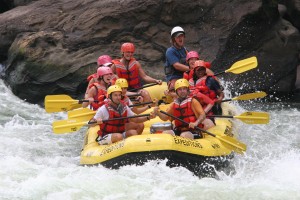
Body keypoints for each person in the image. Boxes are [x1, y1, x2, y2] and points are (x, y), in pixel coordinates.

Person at [91, 85, 156, 145]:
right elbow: (91, 123)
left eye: (119, 95)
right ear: (109, 96)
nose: (118, 97)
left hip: (120, 133)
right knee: (118, 137)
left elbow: (136, 119)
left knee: (133, 133)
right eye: (115, 95)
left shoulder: (124, 106)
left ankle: (131, 148)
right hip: (106, 136)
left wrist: (148, 117)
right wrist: (96, 121)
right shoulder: (103, 109)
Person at [164, 26, 189, 99]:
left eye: (182, 36)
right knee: (178, 89)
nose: (181, 39)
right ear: (174, 39)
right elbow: (176, 65)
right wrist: (191, 68)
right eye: (178, 37)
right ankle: (172, 94)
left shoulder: (185, 50)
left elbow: (192, 60)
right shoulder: (170, 51)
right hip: (174, 77)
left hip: (185, 76)